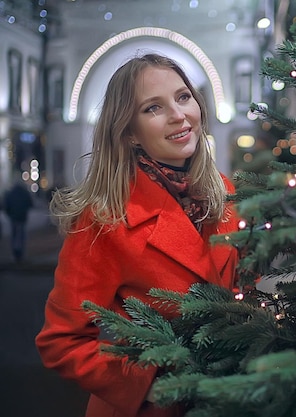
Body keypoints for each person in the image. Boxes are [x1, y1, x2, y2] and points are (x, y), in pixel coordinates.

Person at [35, 53, 241, 417]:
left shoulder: (223, 193)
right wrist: (149, 383)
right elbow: (61, 342)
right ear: (129, 132)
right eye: (152, 108)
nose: (179, 115)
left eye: (182, 97)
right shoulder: (103, 218)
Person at [3, 177, 34, 262]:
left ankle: (15, 253)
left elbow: (6, 205)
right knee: (21, 235)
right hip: (22, 217)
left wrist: (9, 214)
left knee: (14, 235)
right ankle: (20, 254)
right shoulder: (24, 193)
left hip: (13, 217)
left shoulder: (10, 193)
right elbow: (30, 203)